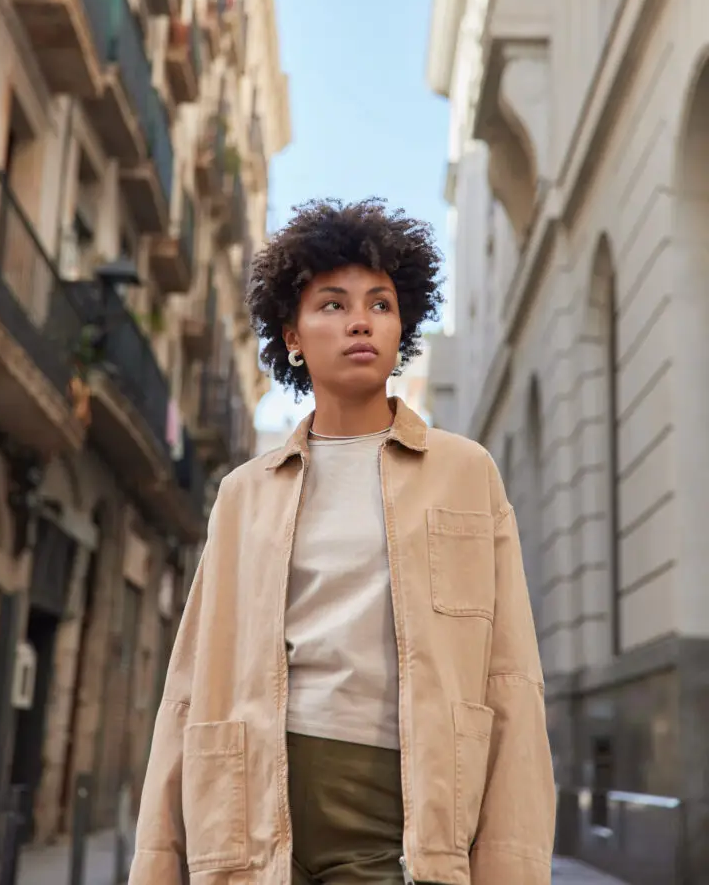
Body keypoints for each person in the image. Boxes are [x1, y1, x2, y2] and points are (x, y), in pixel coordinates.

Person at [129, 199, 555, 885]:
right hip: (253, 795)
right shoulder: (245, 492)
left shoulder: (465, 471)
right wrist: (157, 864)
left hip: (403, 804)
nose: (360, 319)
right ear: (292, 336)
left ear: (401, 326)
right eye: (332, 303)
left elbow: (510, 679)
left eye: (380, 304)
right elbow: (189, 684)